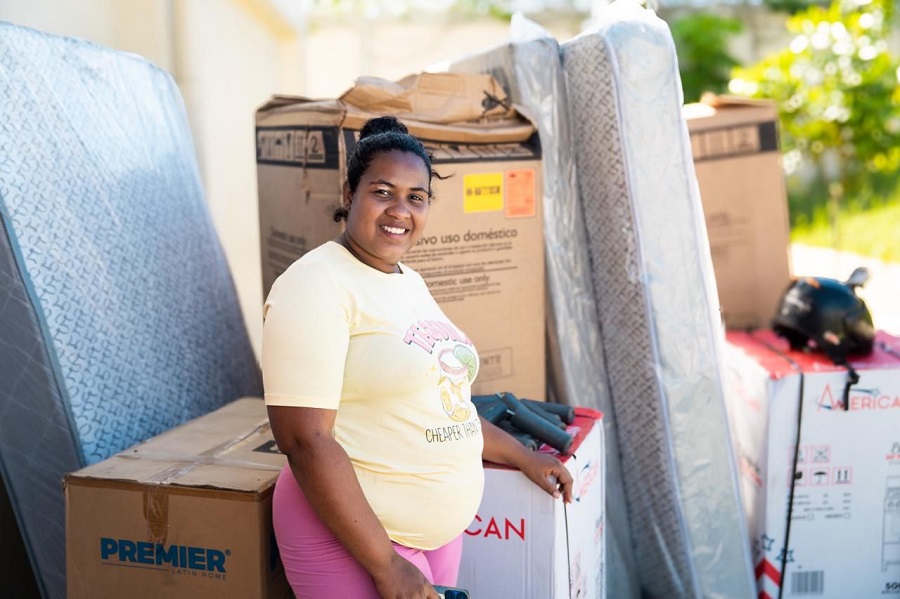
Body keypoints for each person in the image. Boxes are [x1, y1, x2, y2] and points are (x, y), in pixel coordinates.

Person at [262, 115, 573, 599]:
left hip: (433, 539)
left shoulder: (407, 280)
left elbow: (443, 405)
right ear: (349, 194)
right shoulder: (315, 284)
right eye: (382, 191)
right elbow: (304, 440)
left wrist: (524, 456)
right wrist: (386, 565)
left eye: (416, 196)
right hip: (355, 540)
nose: (400, 210)